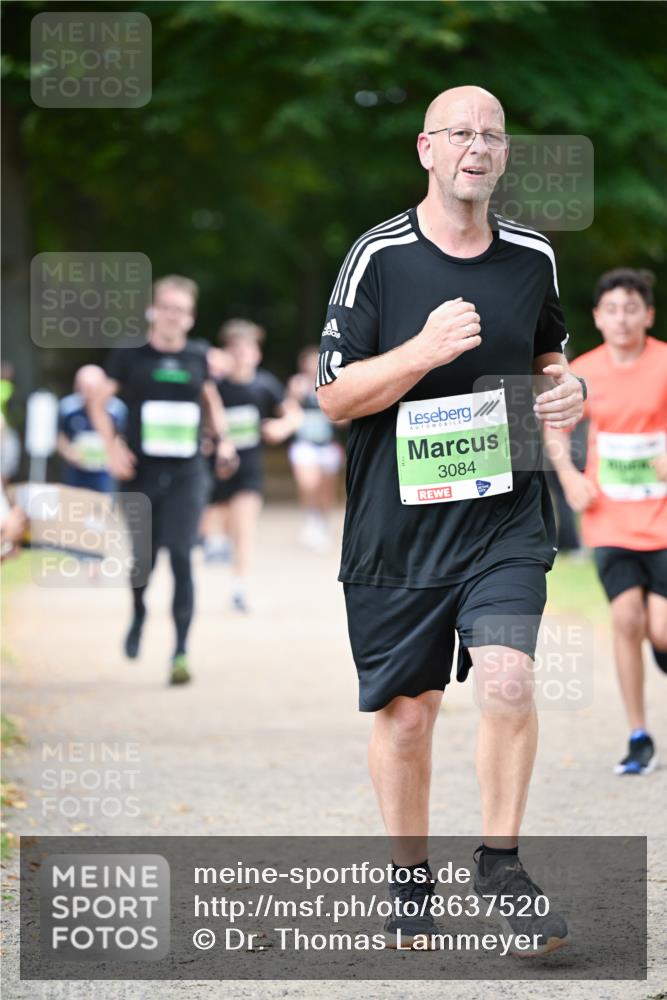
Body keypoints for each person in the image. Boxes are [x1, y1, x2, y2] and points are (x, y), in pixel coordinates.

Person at [316, 85, 585, 953]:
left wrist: (563, 387)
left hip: (504, 518)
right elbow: (334, 396)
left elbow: (548, 351)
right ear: (425, 149)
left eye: (494, 135)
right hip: (397, 529)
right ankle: (407, 880)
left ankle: (501, 864)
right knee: (406, 715)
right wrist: (424, 349)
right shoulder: (377, 257)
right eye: (461, 133)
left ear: (504, 155)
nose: (478, 146)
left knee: (507, 677)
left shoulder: (533, 255)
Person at [545, 268, 667, 776]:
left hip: (662, 520)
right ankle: (638, 734)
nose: (621, 318)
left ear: (648, 315)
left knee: (660, 629)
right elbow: (555, 430)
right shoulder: (584, 373)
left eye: (631, 308)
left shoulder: (664, 363)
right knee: (625, 619)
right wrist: (570, 477)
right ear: (597, 317)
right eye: (611, 309)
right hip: (609, 519)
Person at [90, 275, 236, 686]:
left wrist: (222, 441)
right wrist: (112, 447)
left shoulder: (198, 355)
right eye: (166, 307)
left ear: (190, 318)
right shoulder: (129, 354)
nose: (173, 316)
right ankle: (138, 613)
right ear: (153, 311)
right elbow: (98, 403)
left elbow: (211, 400)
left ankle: (180, 651)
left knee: (181, 555)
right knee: (143, 561)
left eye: (181, 310)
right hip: (140, 472)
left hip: (188, 472)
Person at [201, 319, 301, 612]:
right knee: (216, 527)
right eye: (237, 349)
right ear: (226, 352)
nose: (243, 355)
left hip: (248, 469)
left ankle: (239, 588)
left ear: (257, 353)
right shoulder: (214, 387)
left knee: (244, 527)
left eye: (249, 349)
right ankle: (212, 551)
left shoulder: (264, 385)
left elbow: (293, 415)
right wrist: (209, 439)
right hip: (213, 470)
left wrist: (281, 427)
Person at [286, 345, 345, 550]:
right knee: (308, 483)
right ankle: (310, 519)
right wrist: (295, 397)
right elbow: (289, 411)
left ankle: (322, 523)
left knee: (327, 490)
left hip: (327, 445)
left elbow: (342, 419)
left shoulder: (331, 383)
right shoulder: (297, 385)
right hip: (304, 444)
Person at [57, 365, 126, 492]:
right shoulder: (67, 407)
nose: (90, 393)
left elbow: (123, 437)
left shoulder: (118, 409)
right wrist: (68, 451)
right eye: (85, 387)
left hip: (105, 474)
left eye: (94, 388)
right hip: (76, 473)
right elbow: (58, 436)